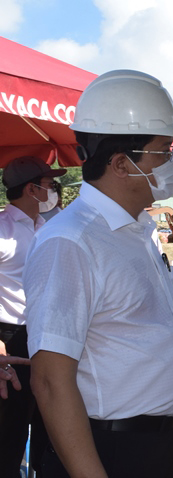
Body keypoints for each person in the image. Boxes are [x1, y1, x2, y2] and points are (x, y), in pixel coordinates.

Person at [23, 70, 173, 478]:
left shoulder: (137, 231)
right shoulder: (71, 242)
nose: (172, 162)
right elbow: (50, 382)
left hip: (157, 446)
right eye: (164, 150)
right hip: (109, 453)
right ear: (121, 163)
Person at [0, 155, 65, 477]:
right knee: (9, 430)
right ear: (32, 189)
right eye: (50, 185)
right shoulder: (3, 230)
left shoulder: (47, 227)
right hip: (11, 340)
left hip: (45, 336)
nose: (54, 191)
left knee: (49, 422)